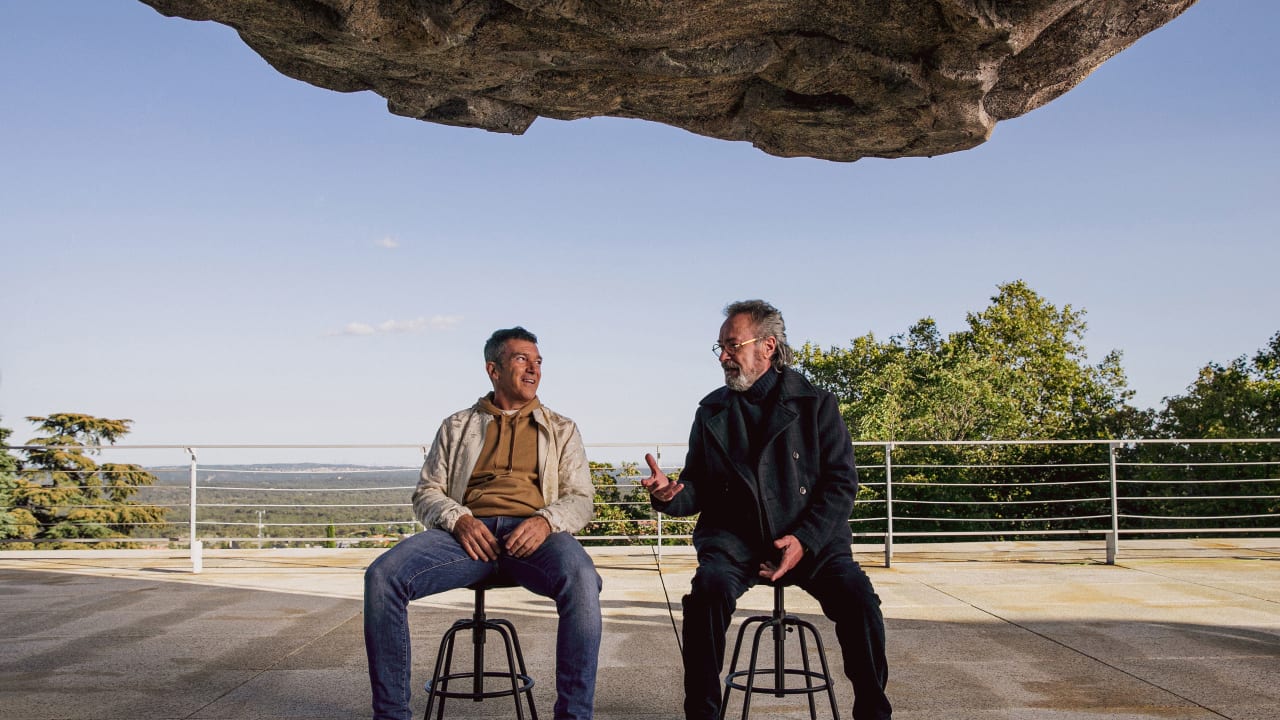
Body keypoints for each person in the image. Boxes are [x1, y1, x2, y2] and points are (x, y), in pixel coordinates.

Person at [641, 300, 892, 720]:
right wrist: (669, 493)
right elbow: (696, 487)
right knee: (707, 595)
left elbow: (841, 484)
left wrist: (805, 540)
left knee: (859, 600)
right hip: (735, 542)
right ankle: (701, 714)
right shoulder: (711, 411)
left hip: (812, 541)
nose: (723, 356)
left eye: (731, 345)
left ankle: (873, 713)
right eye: (719, 347)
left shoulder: (816, 404)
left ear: (768, 346)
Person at [364, 327, 601, 720]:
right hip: (466, 539)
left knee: (582, 578)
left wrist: (545, 521)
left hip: (535, 538)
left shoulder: (562, 429)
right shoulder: (457, 426)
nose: (534, 369)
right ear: (493, 369)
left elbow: (580, 499)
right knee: (382, 577)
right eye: (522, 359)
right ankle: (390, 715)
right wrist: (459, 521)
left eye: (538, 361)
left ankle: (574, 716)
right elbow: (427, 492)